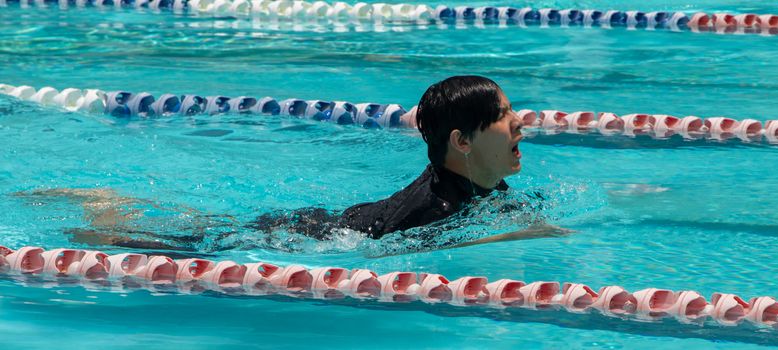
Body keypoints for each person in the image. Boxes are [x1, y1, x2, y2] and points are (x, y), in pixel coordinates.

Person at [16, 76, 569, 252]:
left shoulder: (476, 184)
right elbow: (413, 247)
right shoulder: (434, 207)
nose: (522, 122)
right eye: (504, 115)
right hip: (313, 236)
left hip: (332, 218)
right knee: (188, 241)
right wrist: (508, 238)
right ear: (462, 142)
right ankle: (104, 221)